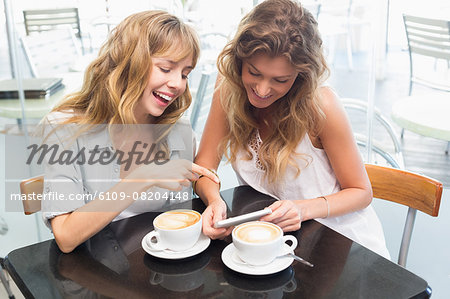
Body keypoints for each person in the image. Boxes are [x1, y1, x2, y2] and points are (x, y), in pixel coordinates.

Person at [194, 0, 389, 258]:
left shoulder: (321, 106)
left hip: (341, 244)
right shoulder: (228, 87)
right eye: (254, 72)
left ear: (301, 75)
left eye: (280, 80)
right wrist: (214, 201)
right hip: (277, 243)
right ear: (239, 60)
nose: (262, 90)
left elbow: (361, 193)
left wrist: (302, 209)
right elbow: (203, 169)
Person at [39, 10, 219, 253]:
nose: (178, 83)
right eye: (166, 68)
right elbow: (66, 237)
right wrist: (143, 177)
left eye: (185, 73)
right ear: (129, 63)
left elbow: (183, 211)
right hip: (94, 278)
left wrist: (214, 202)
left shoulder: (179, 132)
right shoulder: (64, 130)